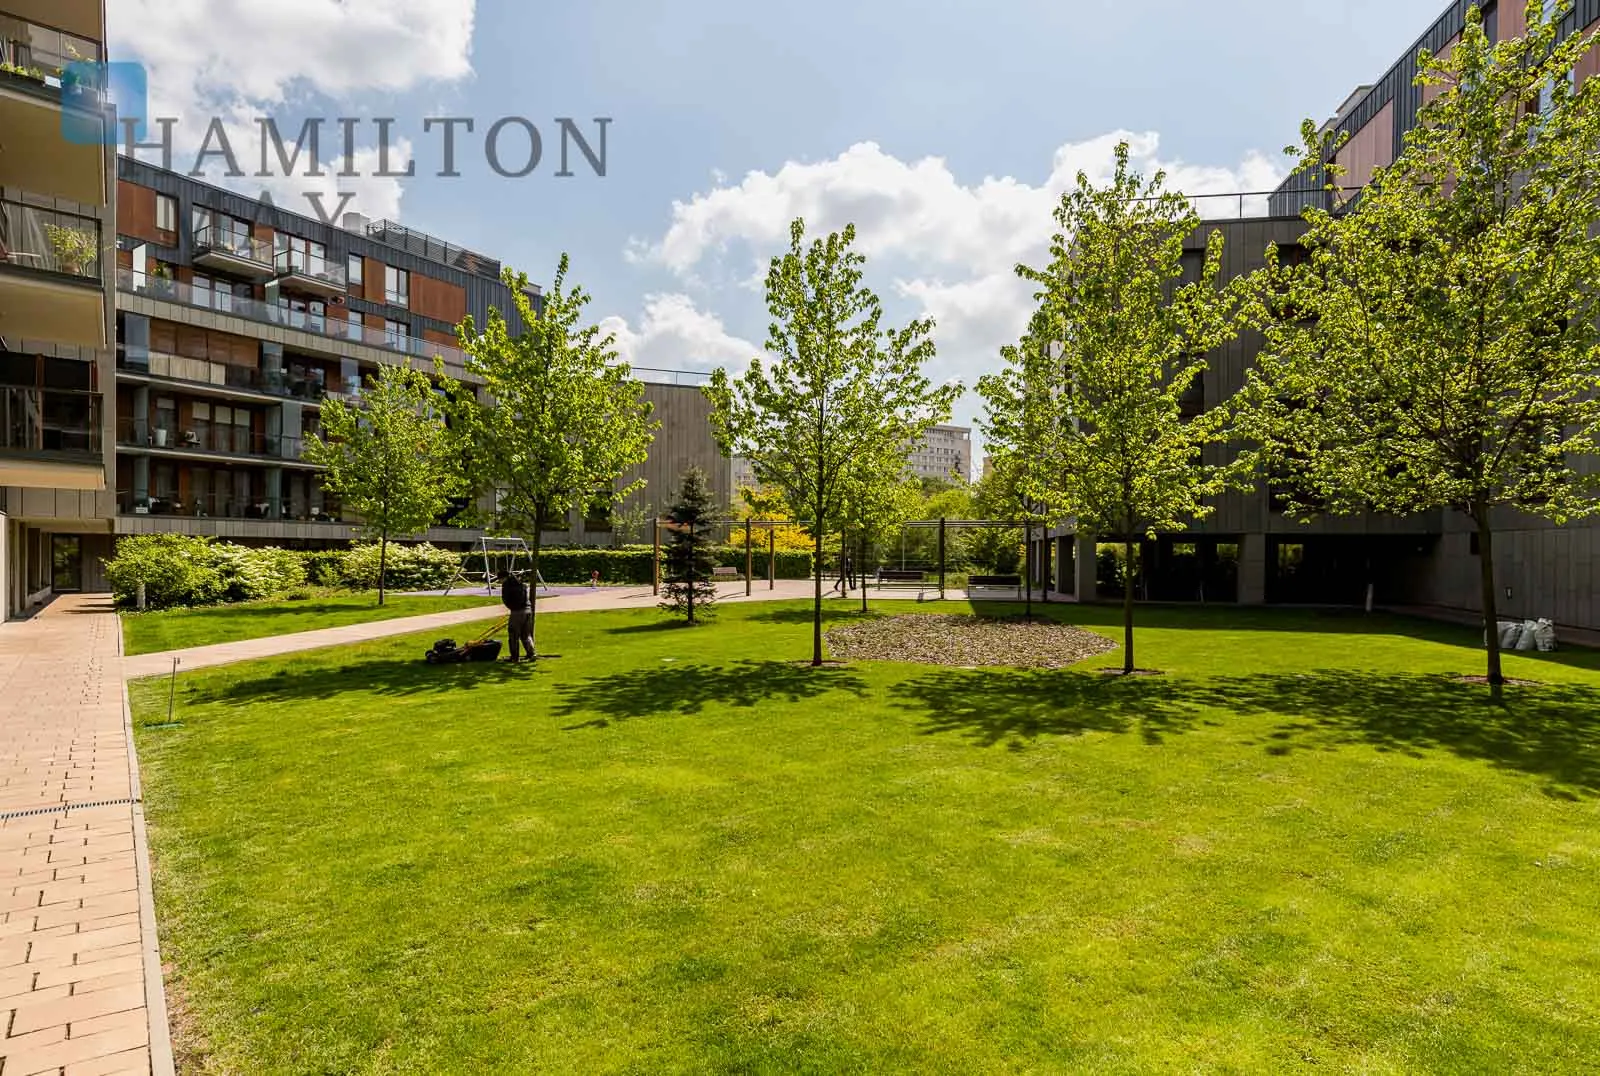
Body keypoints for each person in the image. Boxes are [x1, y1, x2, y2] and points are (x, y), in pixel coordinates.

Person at [500, 571, 535, 663]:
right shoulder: (520, 583)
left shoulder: (507, 585)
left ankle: (515, 657)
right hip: (527, 609)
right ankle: (531, 653)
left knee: (513, 635)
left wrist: (511, 607)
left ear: (504, 578)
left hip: (517, 611)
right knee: (526, 634)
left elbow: (506, 599)